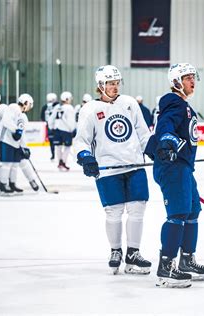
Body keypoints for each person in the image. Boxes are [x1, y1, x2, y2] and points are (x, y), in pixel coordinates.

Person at [74, 65, 152, 275]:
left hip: (134, 165)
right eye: (110, 84)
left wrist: (155, 150)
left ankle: (133, 253)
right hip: (108, 169)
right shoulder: (89, 109)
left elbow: (143, 133)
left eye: (117, 83)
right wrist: (85, 157)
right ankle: (116, 251)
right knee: (114, 211)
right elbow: (81, 140)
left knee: (138, 208)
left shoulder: (129, 103)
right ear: (100, 85)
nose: (115, 87)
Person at [149, 63, 204, 288]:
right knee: (178, 213)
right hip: (172, 166)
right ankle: (166, 268)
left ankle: (186, 261)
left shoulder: (185, 105)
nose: (192, 81)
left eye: (193, 77)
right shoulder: (173, 101)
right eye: (187, 78)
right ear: (176, 81)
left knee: (193, 211)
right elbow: (165, 126)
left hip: (184, 166)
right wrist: (167, 143)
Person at [0, 93, 34, 195]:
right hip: (5, 140)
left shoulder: (23, 116)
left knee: (14, 164)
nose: (30, 107)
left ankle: (12, 184)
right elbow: (6, 121)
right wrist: (16, 130)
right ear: (25, 103)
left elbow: (22, 134)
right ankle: (3, 185)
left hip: (14, 143)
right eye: (29, 104)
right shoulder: (13, 107)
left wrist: (25, 147)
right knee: (6, 164)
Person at [48, 91, 76, 171]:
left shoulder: (57, 107)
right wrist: (72, 129)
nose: (70, 100)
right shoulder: (69, 107)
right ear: (67, 99)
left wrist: (51, 127)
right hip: (66, 130)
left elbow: (51, 118)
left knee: (58, 146)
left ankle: (60, 162)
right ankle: (63, 162)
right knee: (67, 147)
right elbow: (71, 120)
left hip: (57, 130)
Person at [41, 93, 58, 160]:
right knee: (58, 141)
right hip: (56, 125)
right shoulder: (57, 106)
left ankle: (53, 154)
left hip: (48, 125)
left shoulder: (45, 107)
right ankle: (59, 156)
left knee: (51, 141)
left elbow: (42, 117)